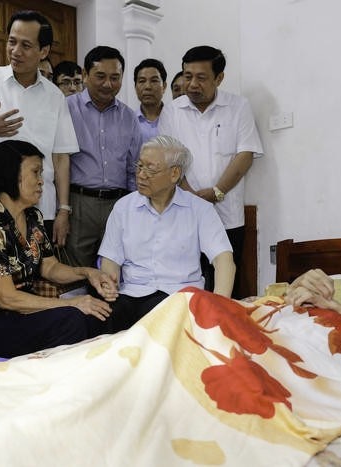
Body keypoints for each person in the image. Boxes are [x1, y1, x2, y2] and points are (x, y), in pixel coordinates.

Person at [0, 140, 118, 358]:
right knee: (72, 321)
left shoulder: (33, 217)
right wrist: (73, 303)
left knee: (99, 315)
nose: (42, 181)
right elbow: (7, 299)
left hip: (21, 314)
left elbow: (49, 267)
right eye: (36, 172)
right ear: (11, 175)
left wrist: (88, 272)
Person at [96, 135, 235, 333]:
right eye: (140, 166)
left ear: (174, 174)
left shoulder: (200, 210)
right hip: (132, 295)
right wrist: (109, 282)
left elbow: (224, 260)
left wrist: (220, 305)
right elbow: (111, 260)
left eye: (150, 169)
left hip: (180, 298)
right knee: (96, 321)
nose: (141, 175)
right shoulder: (123, 207)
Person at [0, 10, 78, 247]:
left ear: (43, 51)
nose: (15, 51)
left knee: (37, 277)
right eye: (11, 42)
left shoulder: (55, 96)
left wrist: (63, 210)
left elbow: (60, 157)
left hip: (40, 209)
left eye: (26, 45)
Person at [159, 46, 263, 296]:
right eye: (187, 76)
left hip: (228, 216)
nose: (192, 84)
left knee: (225, 286)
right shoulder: (172, 111)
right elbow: (168, 158)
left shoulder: (238, 107)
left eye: (201, 77)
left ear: (219, 78)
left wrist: (216, 192)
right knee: (189, 285)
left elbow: (244, 155)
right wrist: (191, 197)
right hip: (184, 214)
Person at [66, 46, 143, 268]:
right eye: (100, 76)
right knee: (77, 271)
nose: (108, 84)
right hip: (79, 204)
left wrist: (135, 209)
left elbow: (134, 168)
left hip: (119, 204)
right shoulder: (67, 109)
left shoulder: (129, 117)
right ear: (85, 74)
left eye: (115, 78)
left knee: (117, 269)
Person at [133, 58, 167, 143]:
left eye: (154, 81)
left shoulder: (175, 119)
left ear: (164, 86)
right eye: (142, 81)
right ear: (135, 87)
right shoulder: (129, 121)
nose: (147, 86)